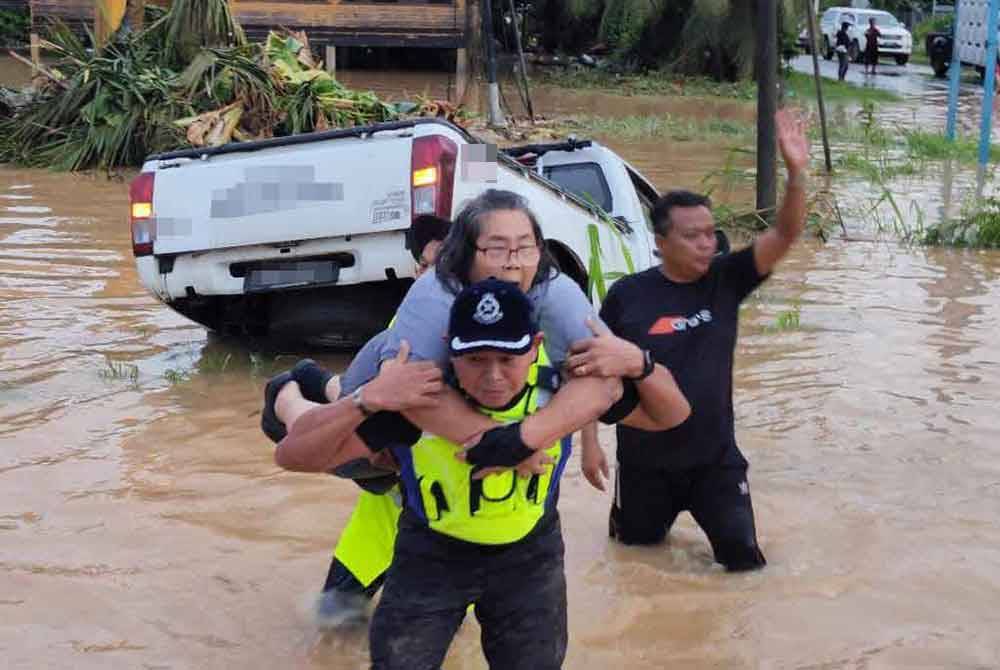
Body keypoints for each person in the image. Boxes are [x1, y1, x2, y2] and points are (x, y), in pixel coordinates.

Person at [263, 191, 670, 623]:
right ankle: (287, 393)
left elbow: (595, 383)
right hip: (397, 456)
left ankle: (317, 381)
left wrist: (574, 440)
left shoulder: (540, 321)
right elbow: (369, 412)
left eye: (522, 248)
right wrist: (509, 445)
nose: (511, 264)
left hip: (452, 498)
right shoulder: (426, 317)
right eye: (495, 250)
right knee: (339, 610)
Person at [273, 278, 691, 669]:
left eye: (508, 359)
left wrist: (641, 363)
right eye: (475, 359)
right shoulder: (419, 400)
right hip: (431, 558)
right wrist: (366, 400)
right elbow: (294, 456)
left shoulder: (564, 391)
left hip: (531, 562)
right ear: (448, 349)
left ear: (536, 347)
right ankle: (289, 388)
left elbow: (671, 415)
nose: (492, 377)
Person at [577, 108, 810, 572]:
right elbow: (590, 370)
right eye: (692, 236)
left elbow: (786, 233)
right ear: (660, 242)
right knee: (632, 563)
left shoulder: (727, 279)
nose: (707, 243)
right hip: (643, 466)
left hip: (715, 462)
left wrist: (797, 174)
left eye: (710, 233)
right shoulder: (627, 296)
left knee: (746, 567)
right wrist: (589, 444)